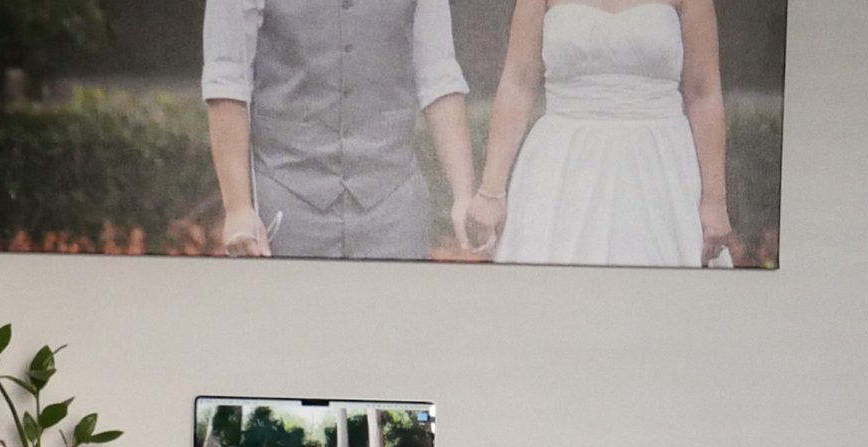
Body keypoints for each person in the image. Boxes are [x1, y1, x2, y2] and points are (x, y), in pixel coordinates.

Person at [202, 0, 479, 260]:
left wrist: (463, 194)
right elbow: (228, 79)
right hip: (286, 203)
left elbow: (438, 73)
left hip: (394, 205)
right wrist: (238, 208)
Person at [467, 0, 734, 268]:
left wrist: (714, 201)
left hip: (659, 169)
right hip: (562, 169)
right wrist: (491, 192)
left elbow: (704, 93)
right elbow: (519, 81)